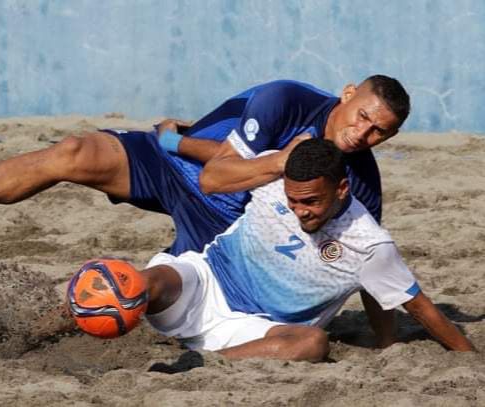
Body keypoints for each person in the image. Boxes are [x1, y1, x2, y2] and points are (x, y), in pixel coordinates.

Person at [0, 75, 409, 255]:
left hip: (223, 222)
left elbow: (366, 255)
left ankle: (41, 330)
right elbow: (220, 168)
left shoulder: (359, 178)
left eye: (380, 133)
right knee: (72, 151)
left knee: (137, 296)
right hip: (170, 167)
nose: (362, 134)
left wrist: (385, 340)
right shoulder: (286, 99)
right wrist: (175, 144)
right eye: (363, 116)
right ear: (348, 94)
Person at [111, 139, 474, 361]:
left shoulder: (371, 246)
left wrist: (467, 357)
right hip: (205, 282)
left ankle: (201, 363)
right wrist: (175, 139)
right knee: (140, 282)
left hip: (258, 331)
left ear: (343, 188)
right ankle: (59, 321)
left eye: (311, 202)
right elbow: (221, 160)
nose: (301, 211)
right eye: (293, 201)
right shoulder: (272, 170)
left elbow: (422, 309)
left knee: (312, 345)